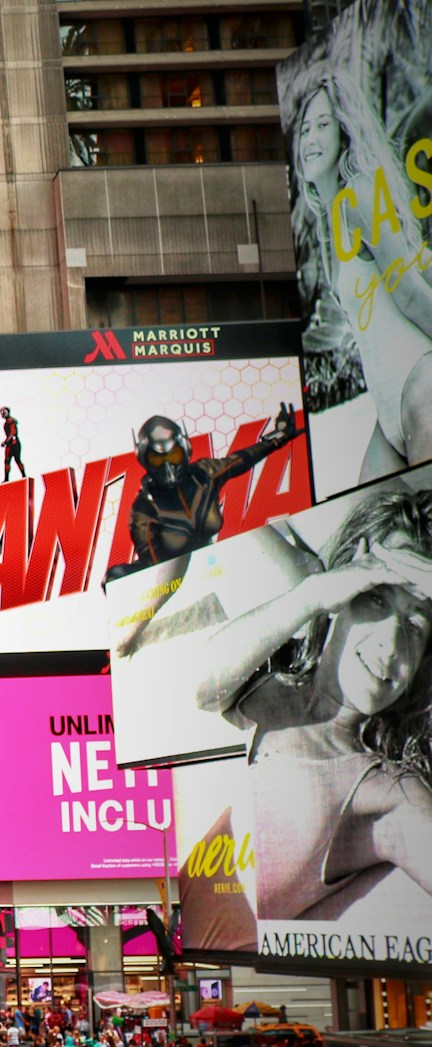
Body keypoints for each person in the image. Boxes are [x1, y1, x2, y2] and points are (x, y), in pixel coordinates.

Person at [191, 487, 432, 923]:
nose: (391, 643)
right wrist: (312, 594)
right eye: (376, 597)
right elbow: (203, 687)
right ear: (345, 589)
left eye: (416, 624)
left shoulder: (387, 791)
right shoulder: (270, 681)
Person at [284, 47, 432, 484]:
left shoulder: (359, 196)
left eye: (323, 125)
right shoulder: (329, 220)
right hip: (388, 415)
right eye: (304, 128)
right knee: (359, 542)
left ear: (345, 132)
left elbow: (408, 291)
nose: (309, 138)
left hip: (421, 391)